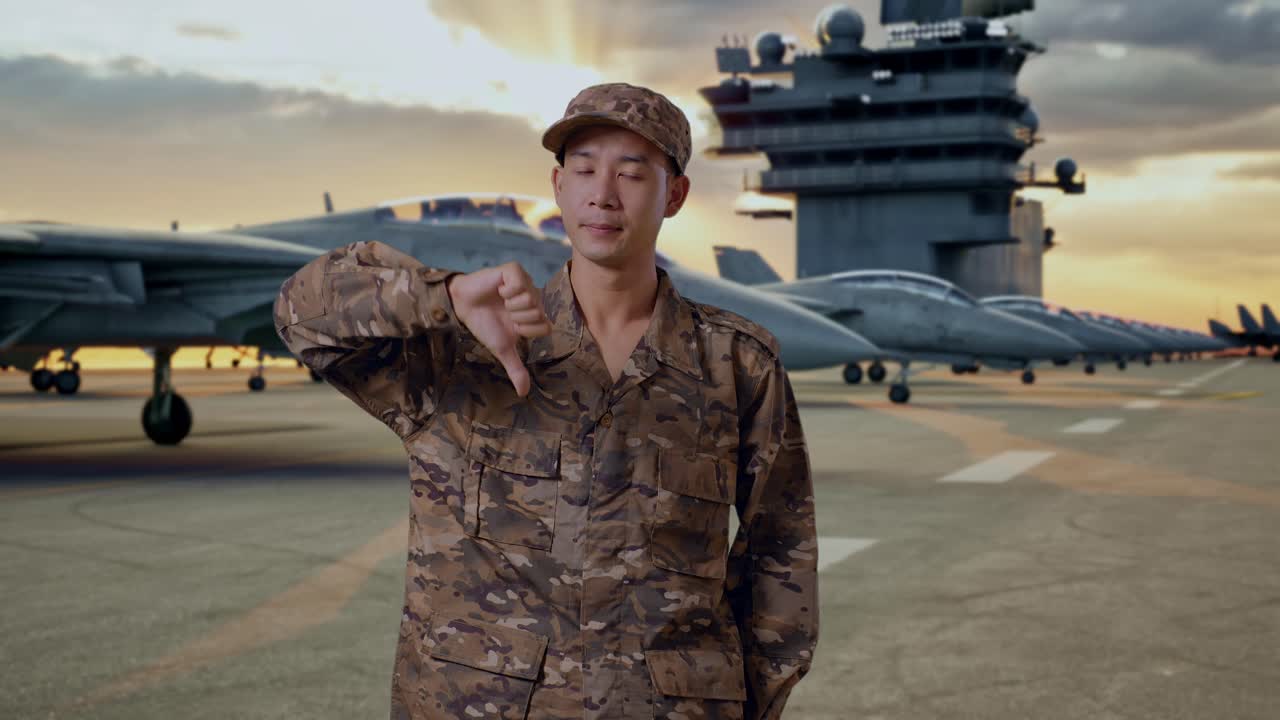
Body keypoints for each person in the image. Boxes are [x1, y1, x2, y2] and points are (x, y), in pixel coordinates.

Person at [273, 81, 818, 719]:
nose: (602, 193)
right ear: (557, 187)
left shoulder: (736, 365)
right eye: (583, 169)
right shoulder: (466, 348)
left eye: (632, 172)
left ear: (675, 195)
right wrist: (440, 298)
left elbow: (783, 562)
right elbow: (299, 313)